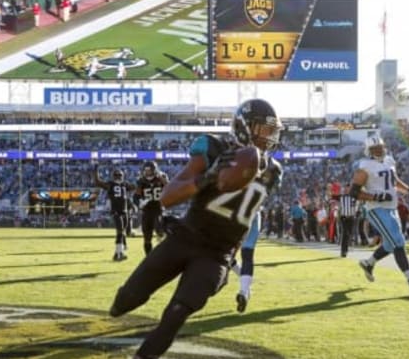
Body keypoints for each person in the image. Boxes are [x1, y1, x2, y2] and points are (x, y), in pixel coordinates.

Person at [109, 98, 282, 358]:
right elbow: (167, 197)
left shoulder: (274, 172)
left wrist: (234, 256)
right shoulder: (213, 147)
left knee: (176, 313)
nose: (269, 137)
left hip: (217, 254)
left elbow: (245, 217)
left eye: (272, 131)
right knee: (126, 300)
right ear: (244, 127)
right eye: (263, 130)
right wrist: (207, 177)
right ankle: (122, 303)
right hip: (185, 238)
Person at [352, 135, 409, 294]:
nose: (379, 150)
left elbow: (394, 181)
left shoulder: (389, 161)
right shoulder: (364, 167)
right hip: (376, 209)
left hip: (392, 207)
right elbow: (354, 193)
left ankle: (369, 263)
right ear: (368, 151)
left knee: (390, 243)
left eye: (381, 147)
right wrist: (375, 196)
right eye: (375, 148)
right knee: (398, 242)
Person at [231, 157, 283, 313]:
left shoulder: (257, 178)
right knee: (238, 256)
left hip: (244, 216)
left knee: (238, 254)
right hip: (251, 216)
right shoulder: (262, 178)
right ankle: (245, 289)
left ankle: (244, 289)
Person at [95, 165, 135, 261]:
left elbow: (134, 187)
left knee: (122, 232)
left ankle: (119, 252)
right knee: (120, 231)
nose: (119, 177)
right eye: (118, 176)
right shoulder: (113, 184)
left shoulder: (122, 184)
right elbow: (98, 182)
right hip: (117, 211)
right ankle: (118, 253)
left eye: (119, 175)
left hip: (124, 211)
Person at [134, 161, 169, 255]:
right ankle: (148, 257)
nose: (147, 172)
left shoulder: (161, 177)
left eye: (149, 170)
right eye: (146, 170)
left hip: (158, 208)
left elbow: (169, 187)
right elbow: (136, 196)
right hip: (147, 210)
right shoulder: (141, 181)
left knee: (159, 230)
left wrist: (161, 177)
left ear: (154, 170)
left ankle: (163, 253)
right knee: (147, 237)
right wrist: (139, 203)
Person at [335, 183, 358, 257]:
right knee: (345, 233)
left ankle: (346, 249)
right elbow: (337, 205)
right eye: (345, 188)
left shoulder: (354, 197)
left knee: (349, 233)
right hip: (344, 217)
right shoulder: (341, 197)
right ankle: (343, 251)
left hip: (351, 217)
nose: (346, 189)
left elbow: (357, 206)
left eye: (348, 188)